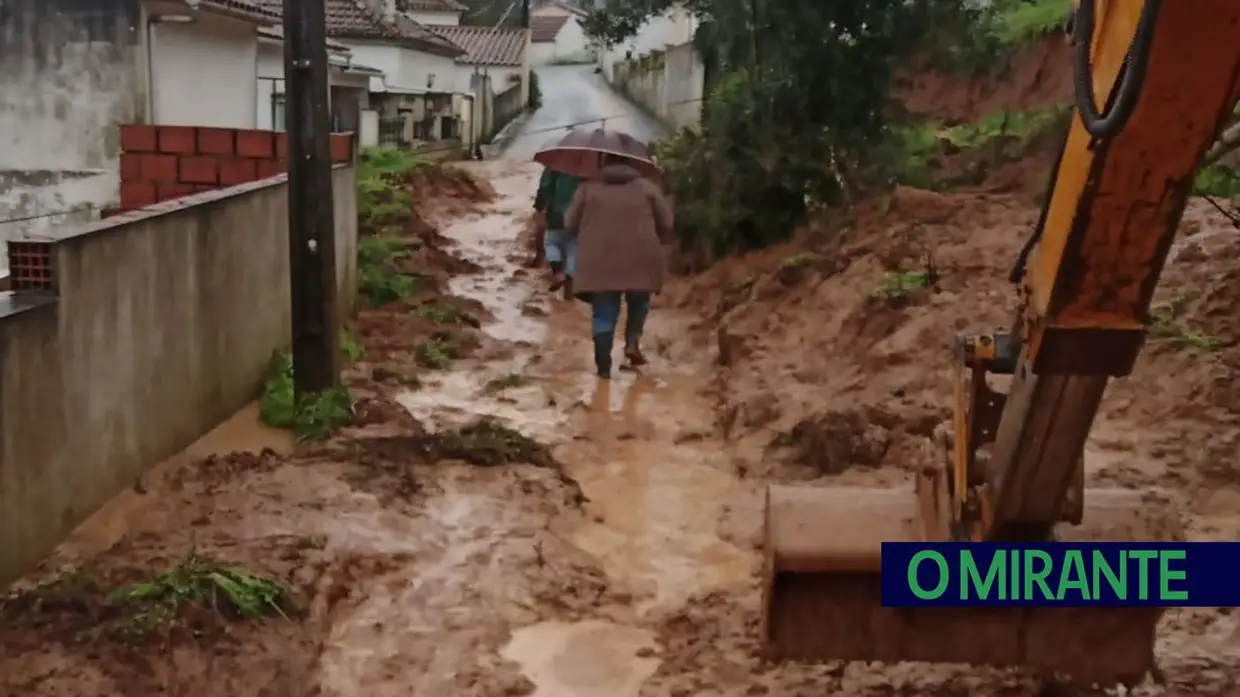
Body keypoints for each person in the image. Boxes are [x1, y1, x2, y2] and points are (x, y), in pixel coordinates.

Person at [564, 152, 674, 379]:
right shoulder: (647, 187)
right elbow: (667, 222)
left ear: (603, 162)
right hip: (641, 256)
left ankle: (603, 364)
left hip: (599, 260)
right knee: (639, 300)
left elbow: (569, 222)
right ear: (631, 163)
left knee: (604, 312)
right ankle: (632, 341)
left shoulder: (588, 188)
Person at [533, 166, 583, 299]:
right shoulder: (589, 164)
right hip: (579, 214)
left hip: (556, 213)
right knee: (573, 247)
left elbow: (545, 186)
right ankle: (569, 282)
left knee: (551, 243)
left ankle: (558, 271)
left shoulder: (556, 163)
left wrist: (539, 206)